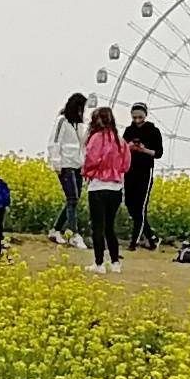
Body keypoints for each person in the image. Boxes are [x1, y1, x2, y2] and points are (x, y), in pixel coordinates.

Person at [80, 104, 131, 270]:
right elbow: (126, 164)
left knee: (98, 227)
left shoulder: (95, 138)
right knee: (110, 227)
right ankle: (116, 263)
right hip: (116, 188)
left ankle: (99, 263)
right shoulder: (120, 140)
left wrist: (87, 172)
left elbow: (90, 160)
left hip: (98, 187)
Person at [43, 94, 89, 244]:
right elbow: (54, 142)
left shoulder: (79, 124)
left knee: (73, 200)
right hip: (65, 164)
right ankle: (74, 233)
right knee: (72, 198)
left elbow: (83, 143)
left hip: (77, 165)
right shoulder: (62, 121)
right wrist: (56, 163)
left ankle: (55, 230)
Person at [121, 102, 166, 248]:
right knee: (130, 204)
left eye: (140, 117)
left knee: (141, 207)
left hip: (145, 171)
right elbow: (121, 149)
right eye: (134, 117)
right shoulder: (128, 130)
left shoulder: (153, 131)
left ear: (145, 115)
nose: (137, 120)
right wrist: (130, 147)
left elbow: (158, 153)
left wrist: (143, 150)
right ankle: (151, 238)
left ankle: (134, 241)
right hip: (130, 171)